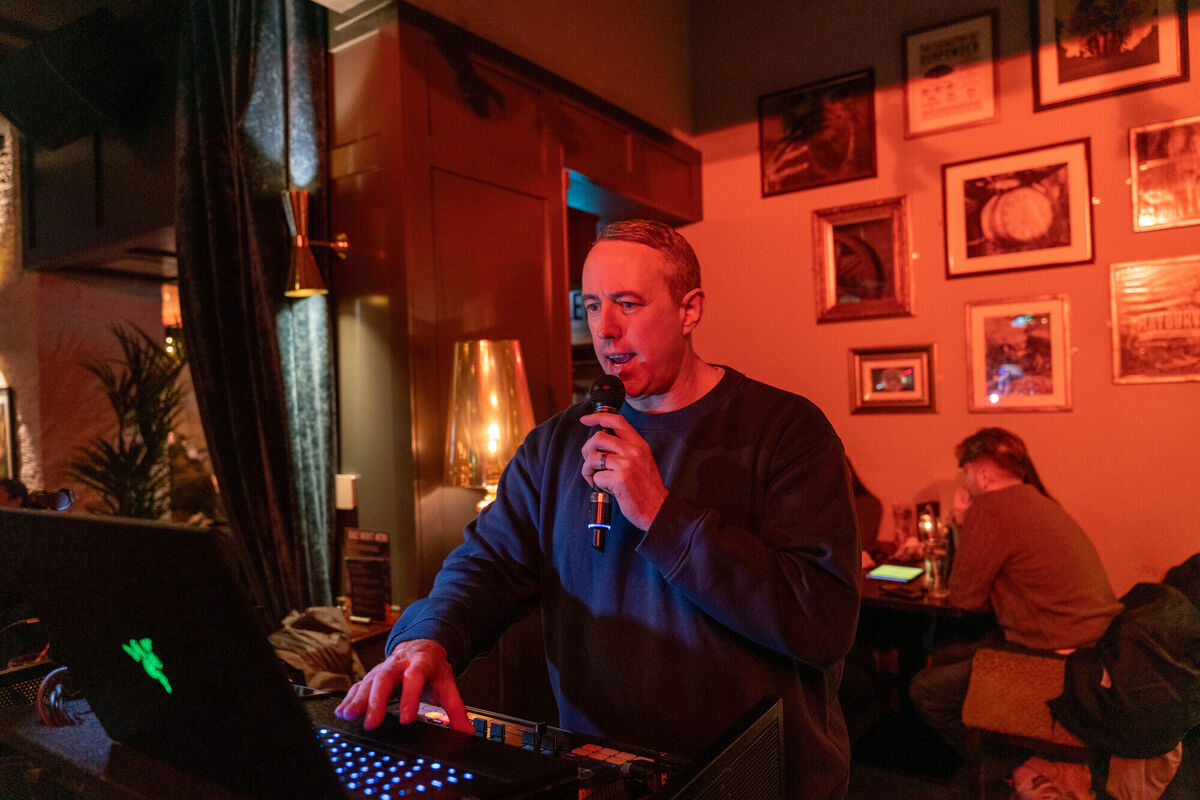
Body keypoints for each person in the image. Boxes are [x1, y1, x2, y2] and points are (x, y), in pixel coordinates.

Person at [335, 219, 862, 799]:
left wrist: (661, 515)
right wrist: (426, 639)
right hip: (605, 776)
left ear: (690, 310)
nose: (605, 330)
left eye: (628, 304)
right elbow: (487, 566)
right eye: (591, 306)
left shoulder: (789, 431)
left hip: (755, 779)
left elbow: (823, 623)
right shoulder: (557, 443)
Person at [909, 427, 1122, 749]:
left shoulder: (990, 507)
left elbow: (964, 598)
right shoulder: (1040, 501)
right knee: (947, 653)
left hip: (1055, 652)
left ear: (981, 474)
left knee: (925, 689)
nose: (965, 482)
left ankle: (1001, 763)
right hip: (1095, 643)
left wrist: (963, 521)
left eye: (965, 473)